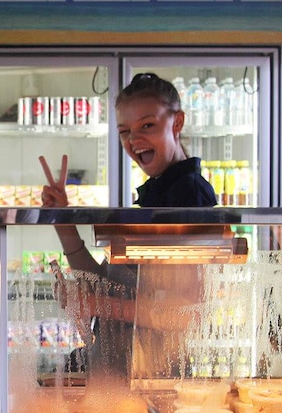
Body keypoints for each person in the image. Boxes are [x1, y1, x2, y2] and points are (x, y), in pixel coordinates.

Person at [38, 72, 217, 379]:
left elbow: (183, 314)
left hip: (156, 376)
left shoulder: (188, 195)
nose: (134, 140)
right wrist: (64, 222)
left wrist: (96, 302)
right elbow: (113, 284)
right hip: (122, 368)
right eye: (124, 131)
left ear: (177, 123)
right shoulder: (156, 195)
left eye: (147, 125)